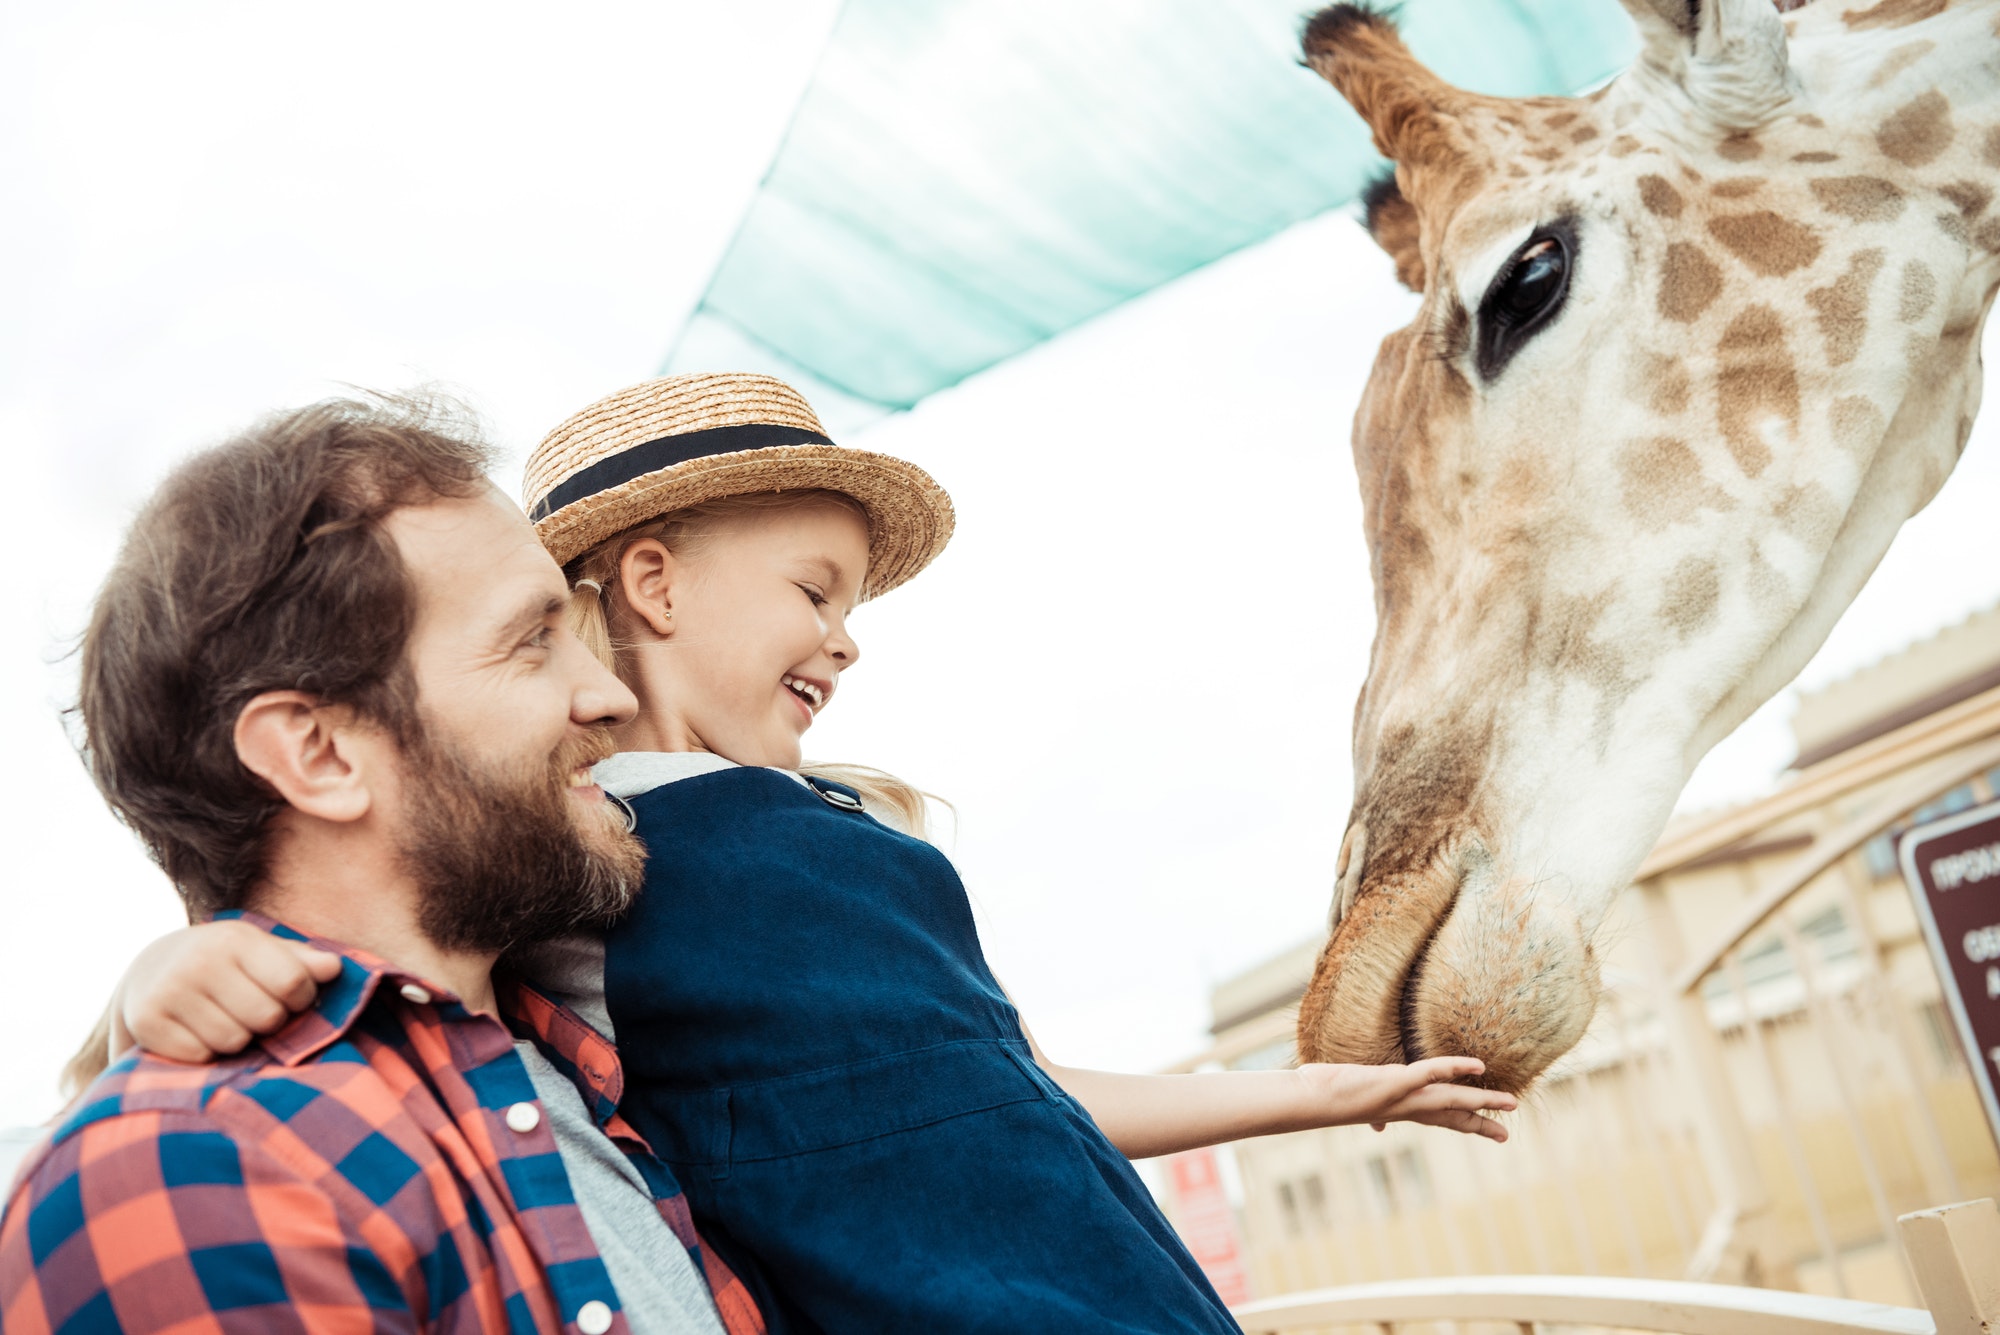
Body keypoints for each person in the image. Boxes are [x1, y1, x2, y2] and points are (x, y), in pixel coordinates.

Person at [103, 374, 1518, 1333]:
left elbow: (991, 1090)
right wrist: (177, 963)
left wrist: (1305, 1094)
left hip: (1101, 1272)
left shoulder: (830, 823)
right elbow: (373, 956)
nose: (848, 634)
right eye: (814, 588)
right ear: (651, 581)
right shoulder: (576, 860)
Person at [0, 395, 765, 1334]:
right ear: (319, 754)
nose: (610, 693)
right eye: (531, 641)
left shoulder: (591, 1072)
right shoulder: (193, 1167)